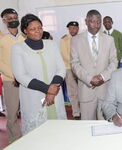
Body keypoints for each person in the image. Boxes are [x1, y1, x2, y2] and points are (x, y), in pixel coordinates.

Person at [11, 14, 67, 135]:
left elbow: (61, 68)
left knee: (58, 133)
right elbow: (20, 75)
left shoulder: (51, 44)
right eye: (33, 29)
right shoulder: (18, 48)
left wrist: (52, 90)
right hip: (33, 97)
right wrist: (48, 89)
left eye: (39, 27)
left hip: (55, 95)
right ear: (25, 31)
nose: (37, 31)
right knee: (37, 136)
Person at [71, 9, 118, 120]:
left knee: (105, 125)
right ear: (86, 21)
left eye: (98, 21)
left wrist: (102, 77)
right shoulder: (76, 40)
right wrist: (89, 79)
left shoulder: (109, 40)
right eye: (92, 21)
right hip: (86, 89)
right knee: (87, 126)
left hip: (105, 89)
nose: (96, 24)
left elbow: (114, 62)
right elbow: (74, 64)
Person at [0, 8, 24, 143]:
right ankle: (15, 141)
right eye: (9, 18)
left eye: (15, 17)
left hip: (27, 81)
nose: (13, 20)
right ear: (4, 21)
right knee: (12, 114)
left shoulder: (24, 37)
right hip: (11, 81)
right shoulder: (1, 38)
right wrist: (15, 76)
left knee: (28, 112)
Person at [60, 21, 80, 120]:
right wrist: (75, 64)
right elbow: (64, 55)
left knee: (83, 91)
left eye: (75, 28)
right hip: (69, 68)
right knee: (73, 92)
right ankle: (76, 113)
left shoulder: (82, 38)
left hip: (82, 69)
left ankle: (83, 110)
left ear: (78, 29)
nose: (73, 30)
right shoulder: (64, 40)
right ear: (68, 29)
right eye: (71, 28)